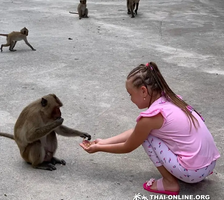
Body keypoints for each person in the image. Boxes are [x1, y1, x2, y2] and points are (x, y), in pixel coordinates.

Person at [80, 62, 220, 195]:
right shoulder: (170, 99)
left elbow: (128, 146)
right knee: (147, 134)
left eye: (130, 94)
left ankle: (169, 182)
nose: (130, 99)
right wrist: (103, 141)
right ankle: (183, 172)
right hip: (209, 165)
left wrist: (99, 148)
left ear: (143, 91)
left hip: (193, 172)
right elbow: (137, 132)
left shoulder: (150, 118)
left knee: (148, 137)